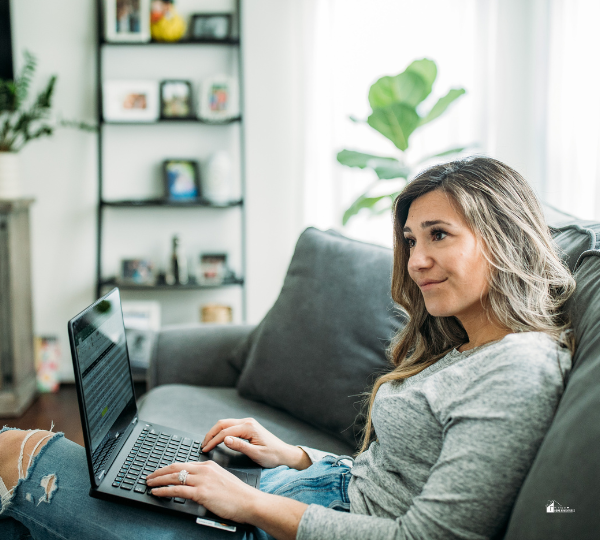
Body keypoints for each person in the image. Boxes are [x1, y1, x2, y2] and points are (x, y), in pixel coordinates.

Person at [0, 156, 575, 540]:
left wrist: (247, 503)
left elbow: (424, 537)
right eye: (410, 239)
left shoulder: (517, 368)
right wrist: (295, 457)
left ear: (501, 236)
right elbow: (389, 480)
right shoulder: (472, 346)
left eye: (439, 235)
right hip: (304, 498)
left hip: (275, 526)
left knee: (14, 454)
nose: (416, 260)